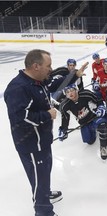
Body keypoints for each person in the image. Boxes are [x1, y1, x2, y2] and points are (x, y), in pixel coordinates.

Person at [3, 49, 85, 216]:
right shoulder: (18, 88)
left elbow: (55, 85)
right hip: (30, 143)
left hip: (42, 139)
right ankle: (43, 210)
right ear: (36, 66)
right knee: (39, 176)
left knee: (44, 172)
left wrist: (75, 75)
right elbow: (19, 118)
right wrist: (47, 115)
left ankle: (44, 196)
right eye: (48, 66)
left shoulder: (38, 81)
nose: (51, 69)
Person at [58, 83, 107, 160]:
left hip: (94, 117)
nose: (70, 93)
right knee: (89, 141)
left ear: (76, 90)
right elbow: (65, 118)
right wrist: (63, 129)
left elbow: (98, 99)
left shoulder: (86, 94)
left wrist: (101, 107)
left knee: (102, 124)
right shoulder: (65, 105)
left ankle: (103, 147)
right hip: (84, 123)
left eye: (72, 90)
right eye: (67, 92)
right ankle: (94, 129)